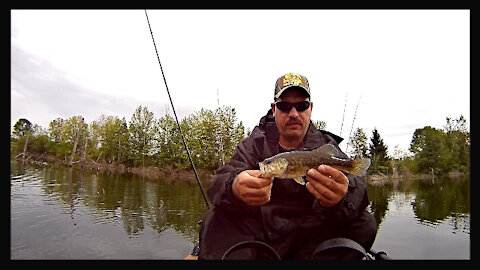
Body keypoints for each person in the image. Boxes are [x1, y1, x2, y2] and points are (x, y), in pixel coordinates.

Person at [198, 73, 377, 259]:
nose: (293, 114)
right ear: (274, 109)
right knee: (214, 219)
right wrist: (234, 187)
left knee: (364, 223)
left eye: (302, 106)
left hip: (312, 234)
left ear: (311, 109)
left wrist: (341, 197)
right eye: (284, 106)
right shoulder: (255, 144)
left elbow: (358, 188)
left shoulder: (325, 145)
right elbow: (221, 179)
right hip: (263, 233)